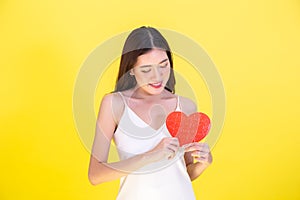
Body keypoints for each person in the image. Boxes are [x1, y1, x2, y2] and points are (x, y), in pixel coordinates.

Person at [88, 26, 212, 200]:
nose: (158, 76)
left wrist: (203, 164)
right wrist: (150, 156)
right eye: (146, 69)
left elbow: (184, 173)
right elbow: (96, 175)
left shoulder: (186, 106)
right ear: (131, 69)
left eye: (163, 65)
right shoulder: (114, 104)